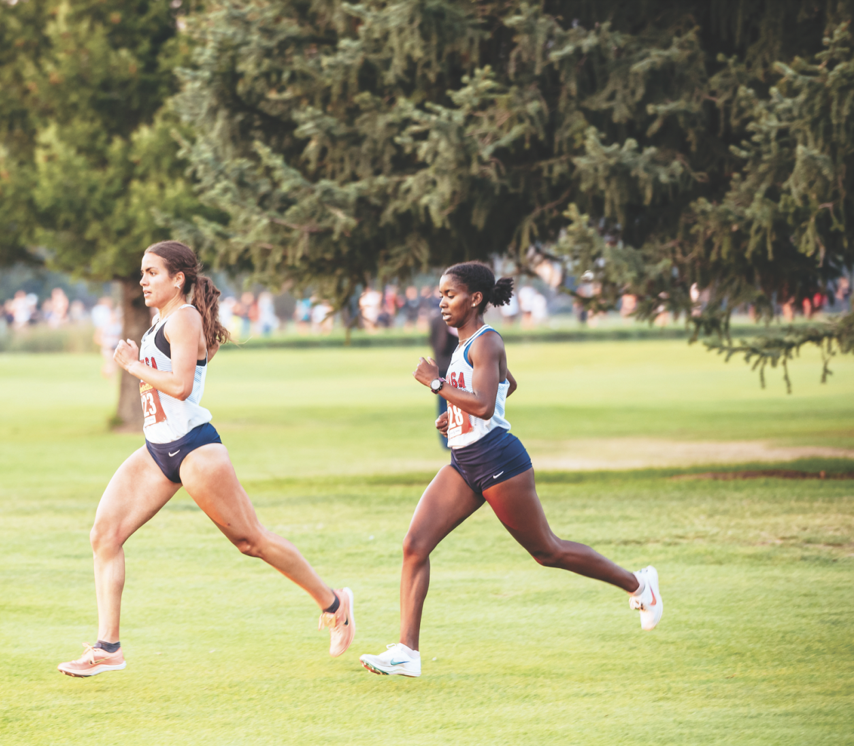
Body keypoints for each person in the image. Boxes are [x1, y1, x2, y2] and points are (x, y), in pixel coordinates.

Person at [58, 241, 355, 677]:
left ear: (178, 279)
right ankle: (108, 648)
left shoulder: (184, 318)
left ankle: (335, 603)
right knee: (104, 535)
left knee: (250, 541)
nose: (142, 280)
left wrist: (132, 364)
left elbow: (180, 387)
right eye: (142, 272)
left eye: (151, 272)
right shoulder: (165, 320)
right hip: (157, 449)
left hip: (196, 449)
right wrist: (145, 361)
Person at [359, 262, 662, 679]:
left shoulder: (487, 342)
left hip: (499, 461)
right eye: (441, 295)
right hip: (465, 461)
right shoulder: (466, 345)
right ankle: (407, 652)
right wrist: (455, 415)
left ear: (475, 299)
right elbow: (503, 388)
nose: (442, 303)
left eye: (450, 295)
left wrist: (436, 384)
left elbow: (484, 402)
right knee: (415, 544)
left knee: (547, 551)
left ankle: (639, 584)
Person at [427, 310, 458, 448]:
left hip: (440, 367)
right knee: (454, 404)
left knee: (442, 406)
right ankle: (451, 438)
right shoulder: (453, 321)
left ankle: (446, 441)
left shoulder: (434, 320)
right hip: (451, 367)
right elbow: (442, 345)